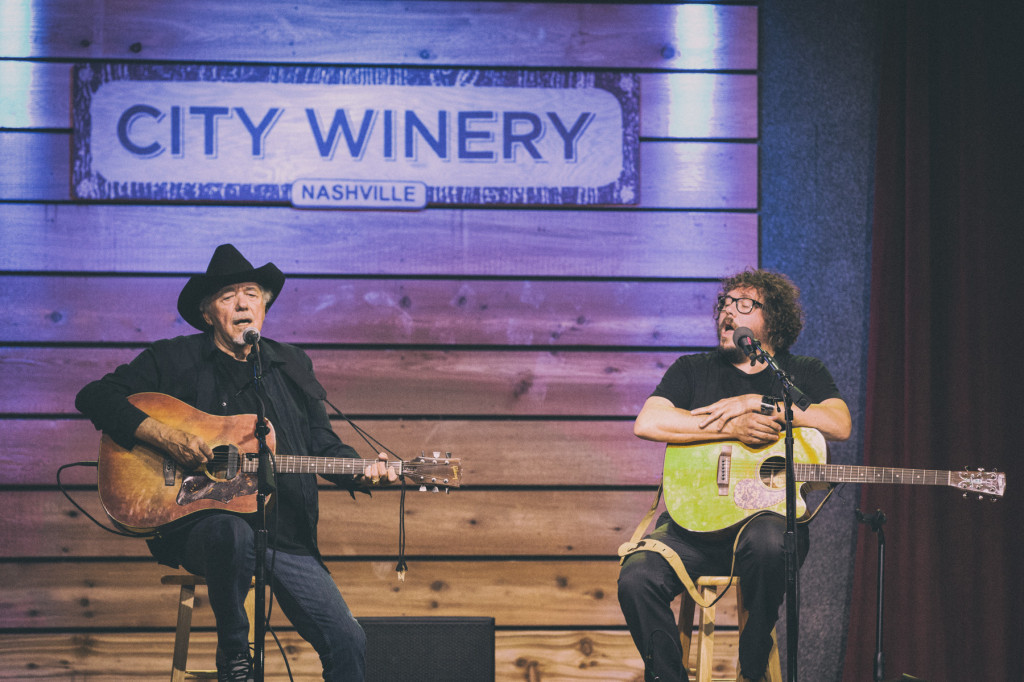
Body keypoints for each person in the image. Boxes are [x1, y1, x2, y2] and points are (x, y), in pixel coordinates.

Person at [76, 244, 398, 682]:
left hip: (283, 535)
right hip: (200, 528)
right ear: (208, 313)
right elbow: (95, 396)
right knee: (230, 531)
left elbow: (321, 445)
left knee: (348, 640)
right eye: (228, 296)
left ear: (264, 305)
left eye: (252, 293)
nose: (243, 303)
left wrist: (363, 471)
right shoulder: (173, 358)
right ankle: (235, 656)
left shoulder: (292, 366)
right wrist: (166, 436)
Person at [617, 269, 851, 682]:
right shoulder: (693, 369)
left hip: (764, 534)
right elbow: (648, 421)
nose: (728, 311)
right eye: (725, 302)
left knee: (770, 542)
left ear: (773, 320)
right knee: (637, 576)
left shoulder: (801, 371)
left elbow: (838, 423)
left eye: (744, 304)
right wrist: (731, 426)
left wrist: (760, 403)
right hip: (691, 532)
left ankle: (753, 662)